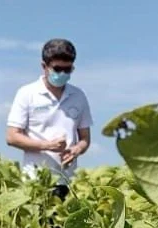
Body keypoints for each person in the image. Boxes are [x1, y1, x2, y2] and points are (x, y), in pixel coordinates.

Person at [5, 38, 93, 201]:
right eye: (57, 69)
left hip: (69, 181)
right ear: (44, 66)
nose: (62, 74)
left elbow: (85, 139)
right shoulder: (27, 93)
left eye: (68, 70)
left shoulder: (78, 96)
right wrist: (47, 145)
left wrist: (76, 150)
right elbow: (12, 137)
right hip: (35, 181)